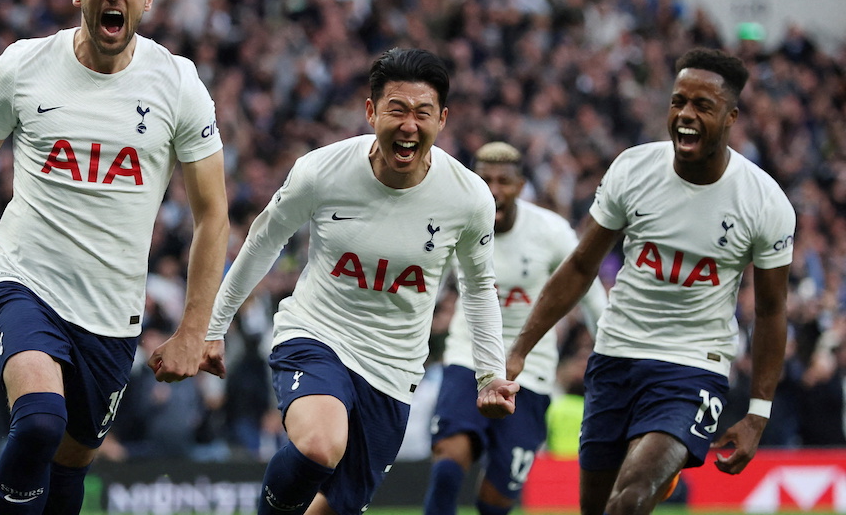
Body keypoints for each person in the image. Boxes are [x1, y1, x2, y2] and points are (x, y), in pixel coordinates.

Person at [0, 0, 230, 515]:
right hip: (25, 281)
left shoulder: (178, 83)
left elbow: (213, 215)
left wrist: (195, 329)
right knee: (38, 422)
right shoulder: (23, 66)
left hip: (112, 313)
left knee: (70, 464)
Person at [203, 47, 519, 515]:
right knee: (319, 444)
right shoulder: (321, 171)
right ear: (371, 112)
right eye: (397, 109)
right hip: (316, 333)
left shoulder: (468, 197)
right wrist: (214, 327)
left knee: (334, 507)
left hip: (393, 368)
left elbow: (477, 287)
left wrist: (491, 373)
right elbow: (263, 241)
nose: (409, 125)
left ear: (442, 120)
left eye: (422, 113)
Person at [507, 47, 796, 515]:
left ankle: (664, 459)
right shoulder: (633, 169)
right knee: (598, 508)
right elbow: (581, 266)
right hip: (615, 357)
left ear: (731, 117)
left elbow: (771, 311)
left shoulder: (764, 202)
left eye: (703, 106)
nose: (685, 114)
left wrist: (758, 414)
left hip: (693, 366)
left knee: (631, 497)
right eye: (678, 101)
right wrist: (518, 349)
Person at [423, 142, 606, 515]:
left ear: (521, 185)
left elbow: (588, 290)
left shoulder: (550, 231)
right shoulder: (456, 227)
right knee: (448, 462)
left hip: (532, 371)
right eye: (485, 179)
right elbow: (427, 291)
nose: (494, 189)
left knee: (497, 500)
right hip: (467, 358)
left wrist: (609, 348)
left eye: (504, 181)